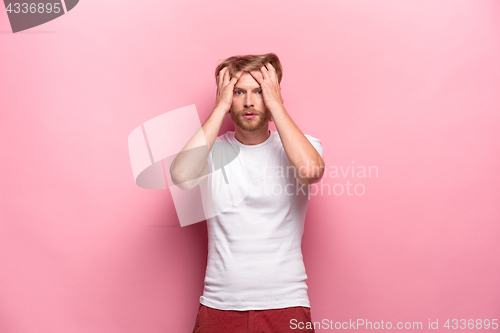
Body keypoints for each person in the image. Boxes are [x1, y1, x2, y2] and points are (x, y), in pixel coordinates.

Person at [170, 53, 325, 333]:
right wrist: (219, 108)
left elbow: (310, 171)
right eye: (239, 92)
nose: (250, 102)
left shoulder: (303, 145)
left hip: (286, 302)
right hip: (219, 305)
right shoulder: (211, 151)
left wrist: (276, 105)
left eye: (259, 91)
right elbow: (181, 177)